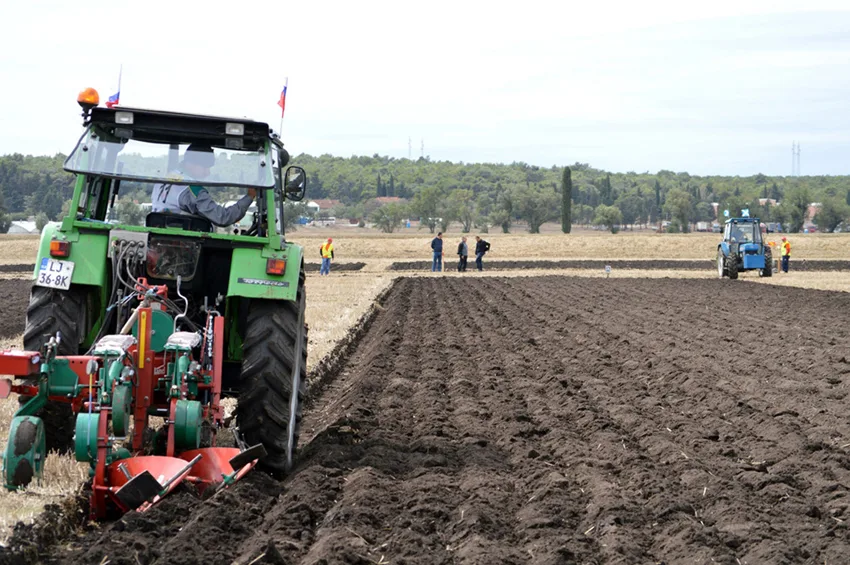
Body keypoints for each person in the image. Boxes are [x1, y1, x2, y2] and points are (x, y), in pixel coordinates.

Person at [151, 144, 256, 227]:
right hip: (182, 244)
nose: (207, 173)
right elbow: (222, 217)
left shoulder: (162, 181)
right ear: (193, 163)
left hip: (156, 239)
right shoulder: (192, 190)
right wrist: (250, 196)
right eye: (205, 167)